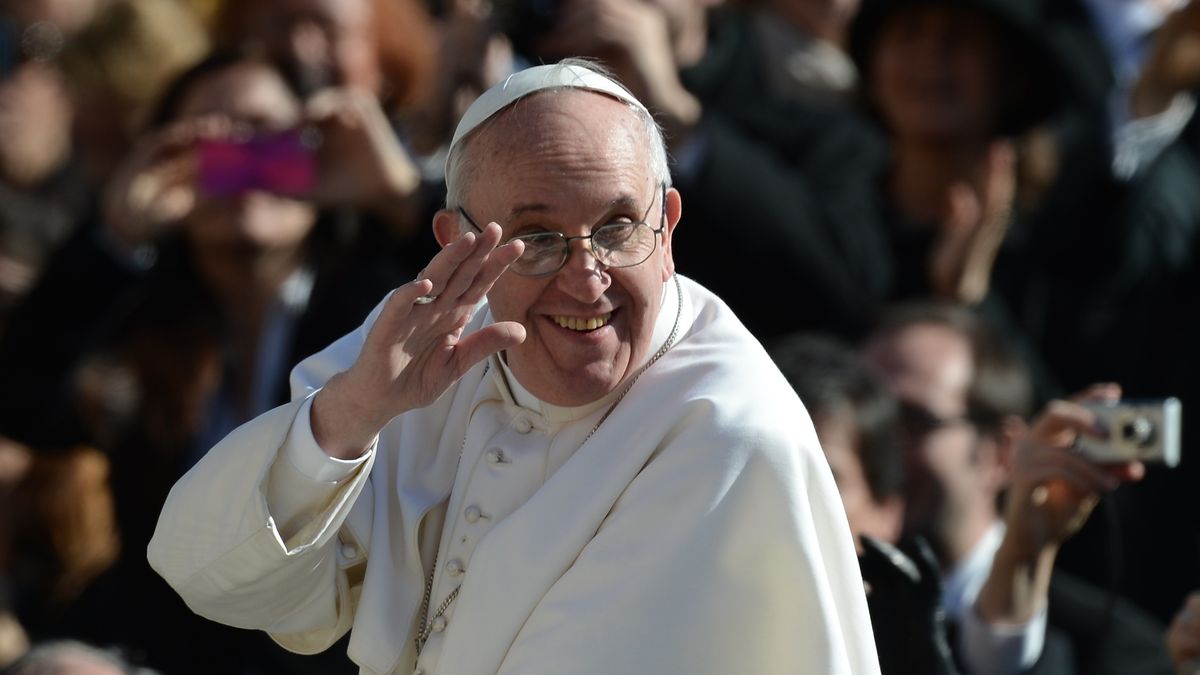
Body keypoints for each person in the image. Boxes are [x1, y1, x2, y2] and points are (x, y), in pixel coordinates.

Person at [147, 60, 880, 675]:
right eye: (536, 237)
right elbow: (208, 570)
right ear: (454, 242)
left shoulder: (726, 433)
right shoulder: (432, 340)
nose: (586, 276)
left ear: (670, 227)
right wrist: (349, 416)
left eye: (618, 227)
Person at [0, 52, 407, 674]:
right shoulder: (141, 319)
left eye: (266, 138)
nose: (240, 164)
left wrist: (402, 198)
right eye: (209, 142)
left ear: (315, 154)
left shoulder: (379, 305)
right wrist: (114, 238)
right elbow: (23, 401)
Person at [863, 302, 1173, 675]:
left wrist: (1022, 562)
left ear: (1001, 452)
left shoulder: (1119, 652)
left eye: (912, 422)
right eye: (865, 425)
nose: (880, 450)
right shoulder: (817, 600)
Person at [770, 333, 959, 675]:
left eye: (826, 480)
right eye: (765, 470)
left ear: (887, 511)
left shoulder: (920, 653)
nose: (789, 499)